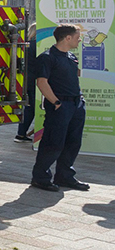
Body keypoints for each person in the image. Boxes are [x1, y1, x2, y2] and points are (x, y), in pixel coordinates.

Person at [29, 24, 89, 192]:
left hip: (76, 105)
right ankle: (40, 178)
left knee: (73, 142)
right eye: (77, 36)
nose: (80, 39)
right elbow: (42, 82)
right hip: (60, 106)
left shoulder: (70, 56)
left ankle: (64, 176)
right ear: (67, 38)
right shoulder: (47, 57)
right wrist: (56, 103)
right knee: (53, 142)